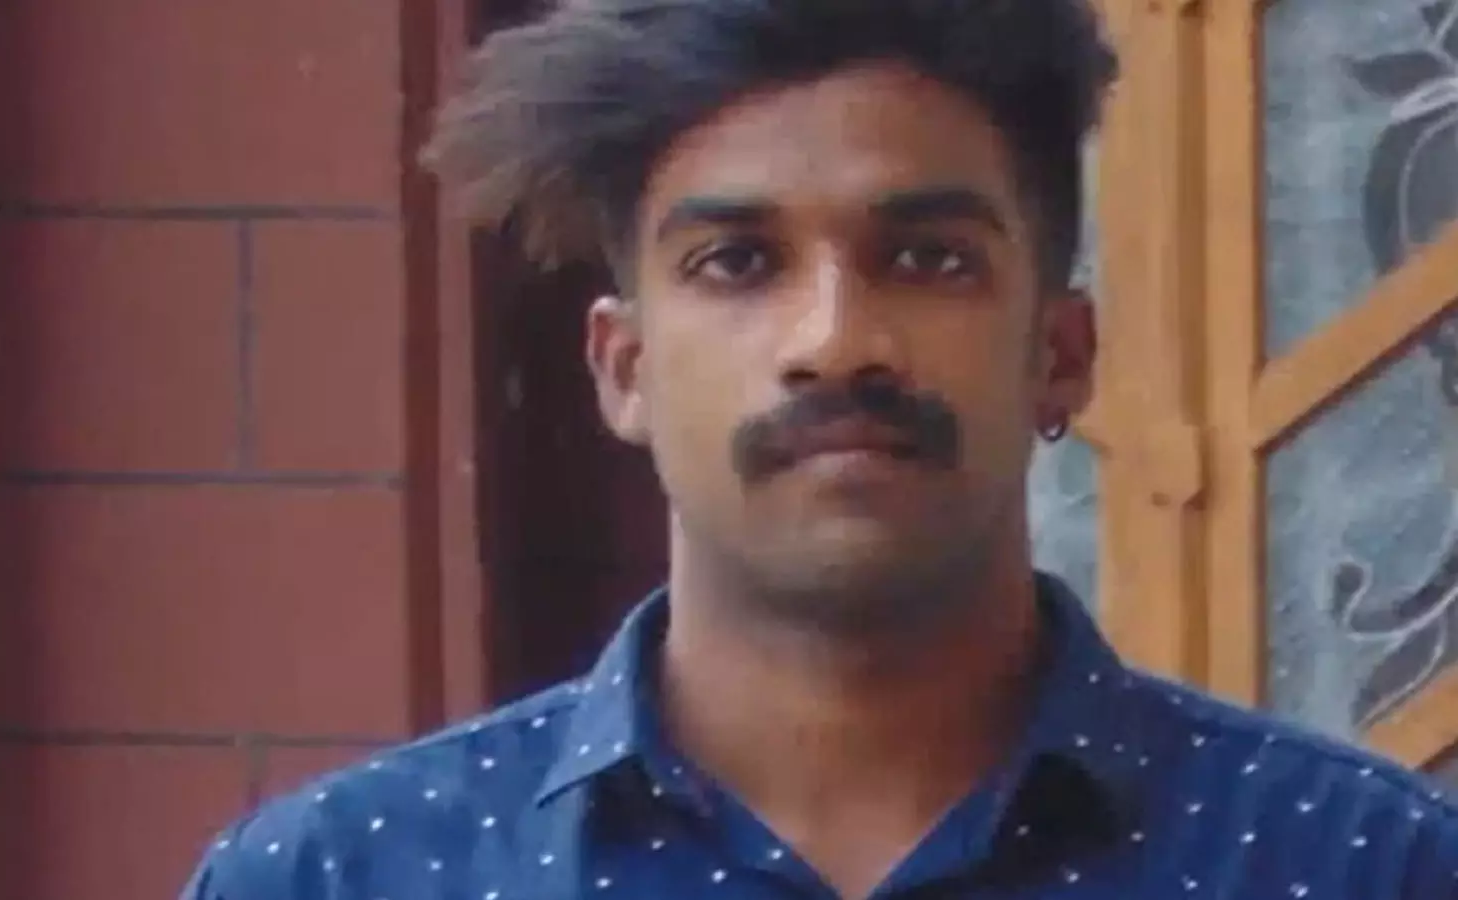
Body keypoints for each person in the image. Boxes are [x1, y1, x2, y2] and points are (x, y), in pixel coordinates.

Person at [182, 1, 1458, 897]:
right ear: (623, 368)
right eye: (739, 263)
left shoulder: (1357, 867)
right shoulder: (349, 877)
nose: (838, 341)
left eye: (928, 259)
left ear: (1059, 354)